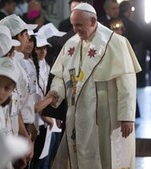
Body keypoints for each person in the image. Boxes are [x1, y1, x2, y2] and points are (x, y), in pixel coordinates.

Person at [50, 3, 141, 169]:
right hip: (77, 112)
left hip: (105, 114)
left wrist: (127, 116)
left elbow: (126, 83)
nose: (75, 29)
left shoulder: (115, 43)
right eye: (73, 25)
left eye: (79, 25)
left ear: (93, 21)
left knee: (107, 157)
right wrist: (55, 93)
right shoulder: (71, 44)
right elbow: (60, 76)